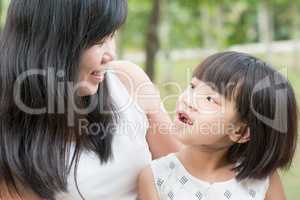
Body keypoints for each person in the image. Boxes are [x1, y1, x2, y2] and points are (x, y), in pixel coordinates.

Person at [0, 0, 180, 199]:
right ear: (51, 44)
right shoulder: (11, 137)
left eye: (112, 35)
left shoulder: (127, 82)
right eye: (98, 41)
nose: (110, 54)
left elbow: (183, 174)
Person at [138, 52, 298, 200]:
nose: (188, 100)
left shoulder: (263, 181)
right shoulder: (156, 177)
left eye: (209, 99)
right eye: (193, 86)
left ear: (241, 132)